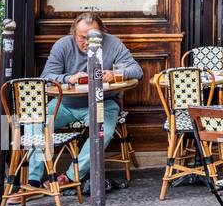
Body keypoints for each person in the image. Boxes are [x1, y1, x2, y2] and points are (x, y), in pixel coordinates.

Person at [35, 13, 143, 191]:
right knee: (36, 124)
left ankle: (70, 177)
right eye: (82, 37)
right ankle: (33, 181)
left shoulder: (113, 43)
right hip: (66, 104)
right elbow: (46, 77)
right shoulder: (63, 45)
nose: (87, 42)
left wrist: (116, 74)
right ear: (74, 33)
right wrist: (68, 78)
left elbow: (137, 70)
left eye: (93, 37)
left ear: (102, 32)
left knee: (102, 131)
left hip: (103, 103)